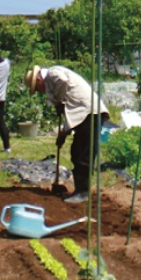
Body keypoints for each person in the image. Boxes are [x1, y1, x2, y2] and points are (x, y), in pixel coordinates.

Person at [25, 64, 109, 203]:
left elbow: (63, 82)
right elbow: (71, 115)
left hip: (90, 113)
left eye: (37, 89)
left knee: (84, 154)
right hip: (84, 115)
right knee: (76, 151)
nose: (40, 92)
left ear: (39, 80)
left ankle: (83, 192)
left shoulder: (53, 74)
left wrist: (59, 101)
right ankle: (79, 190)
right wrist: (63, 133)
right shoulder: (52, 81)